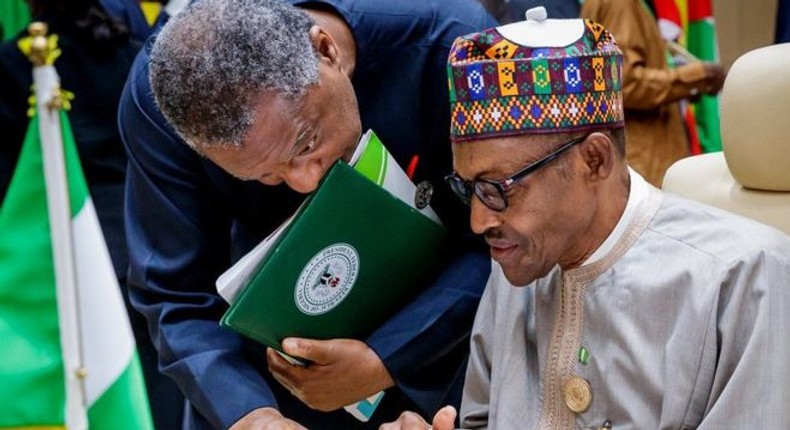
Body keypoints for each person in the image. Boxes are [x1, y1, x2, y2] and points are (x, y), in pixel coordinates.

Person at [382, 7, 790, 429]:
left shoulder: (745, 278)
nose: (479, 220)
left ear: (594, 160)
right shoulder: (516, 262)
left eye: (499, 188)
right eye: (470, 188)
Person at [120, 0, 496, 428]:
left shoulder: (454, 45)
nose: (305, 181)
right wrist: (250, 415)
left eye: (306, 143)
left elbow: (506, 239)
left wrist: (388, 355)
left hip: (442, 362)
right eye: (263, 175)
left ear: (326, 50)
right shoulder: (162, 104)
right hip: (269, 384)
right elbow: (175, 293)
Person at [0, 1, 185, 429]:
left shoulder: (19, 60)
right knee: (159, 387)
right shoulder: (136, 44)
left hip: (81, 244)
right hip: (151, 237)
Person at [579, 0, 726, 187]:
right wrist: (697, 76)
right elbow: (624, 83)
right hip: (644, 167)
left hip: (637, 162)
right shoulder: (620, 4)